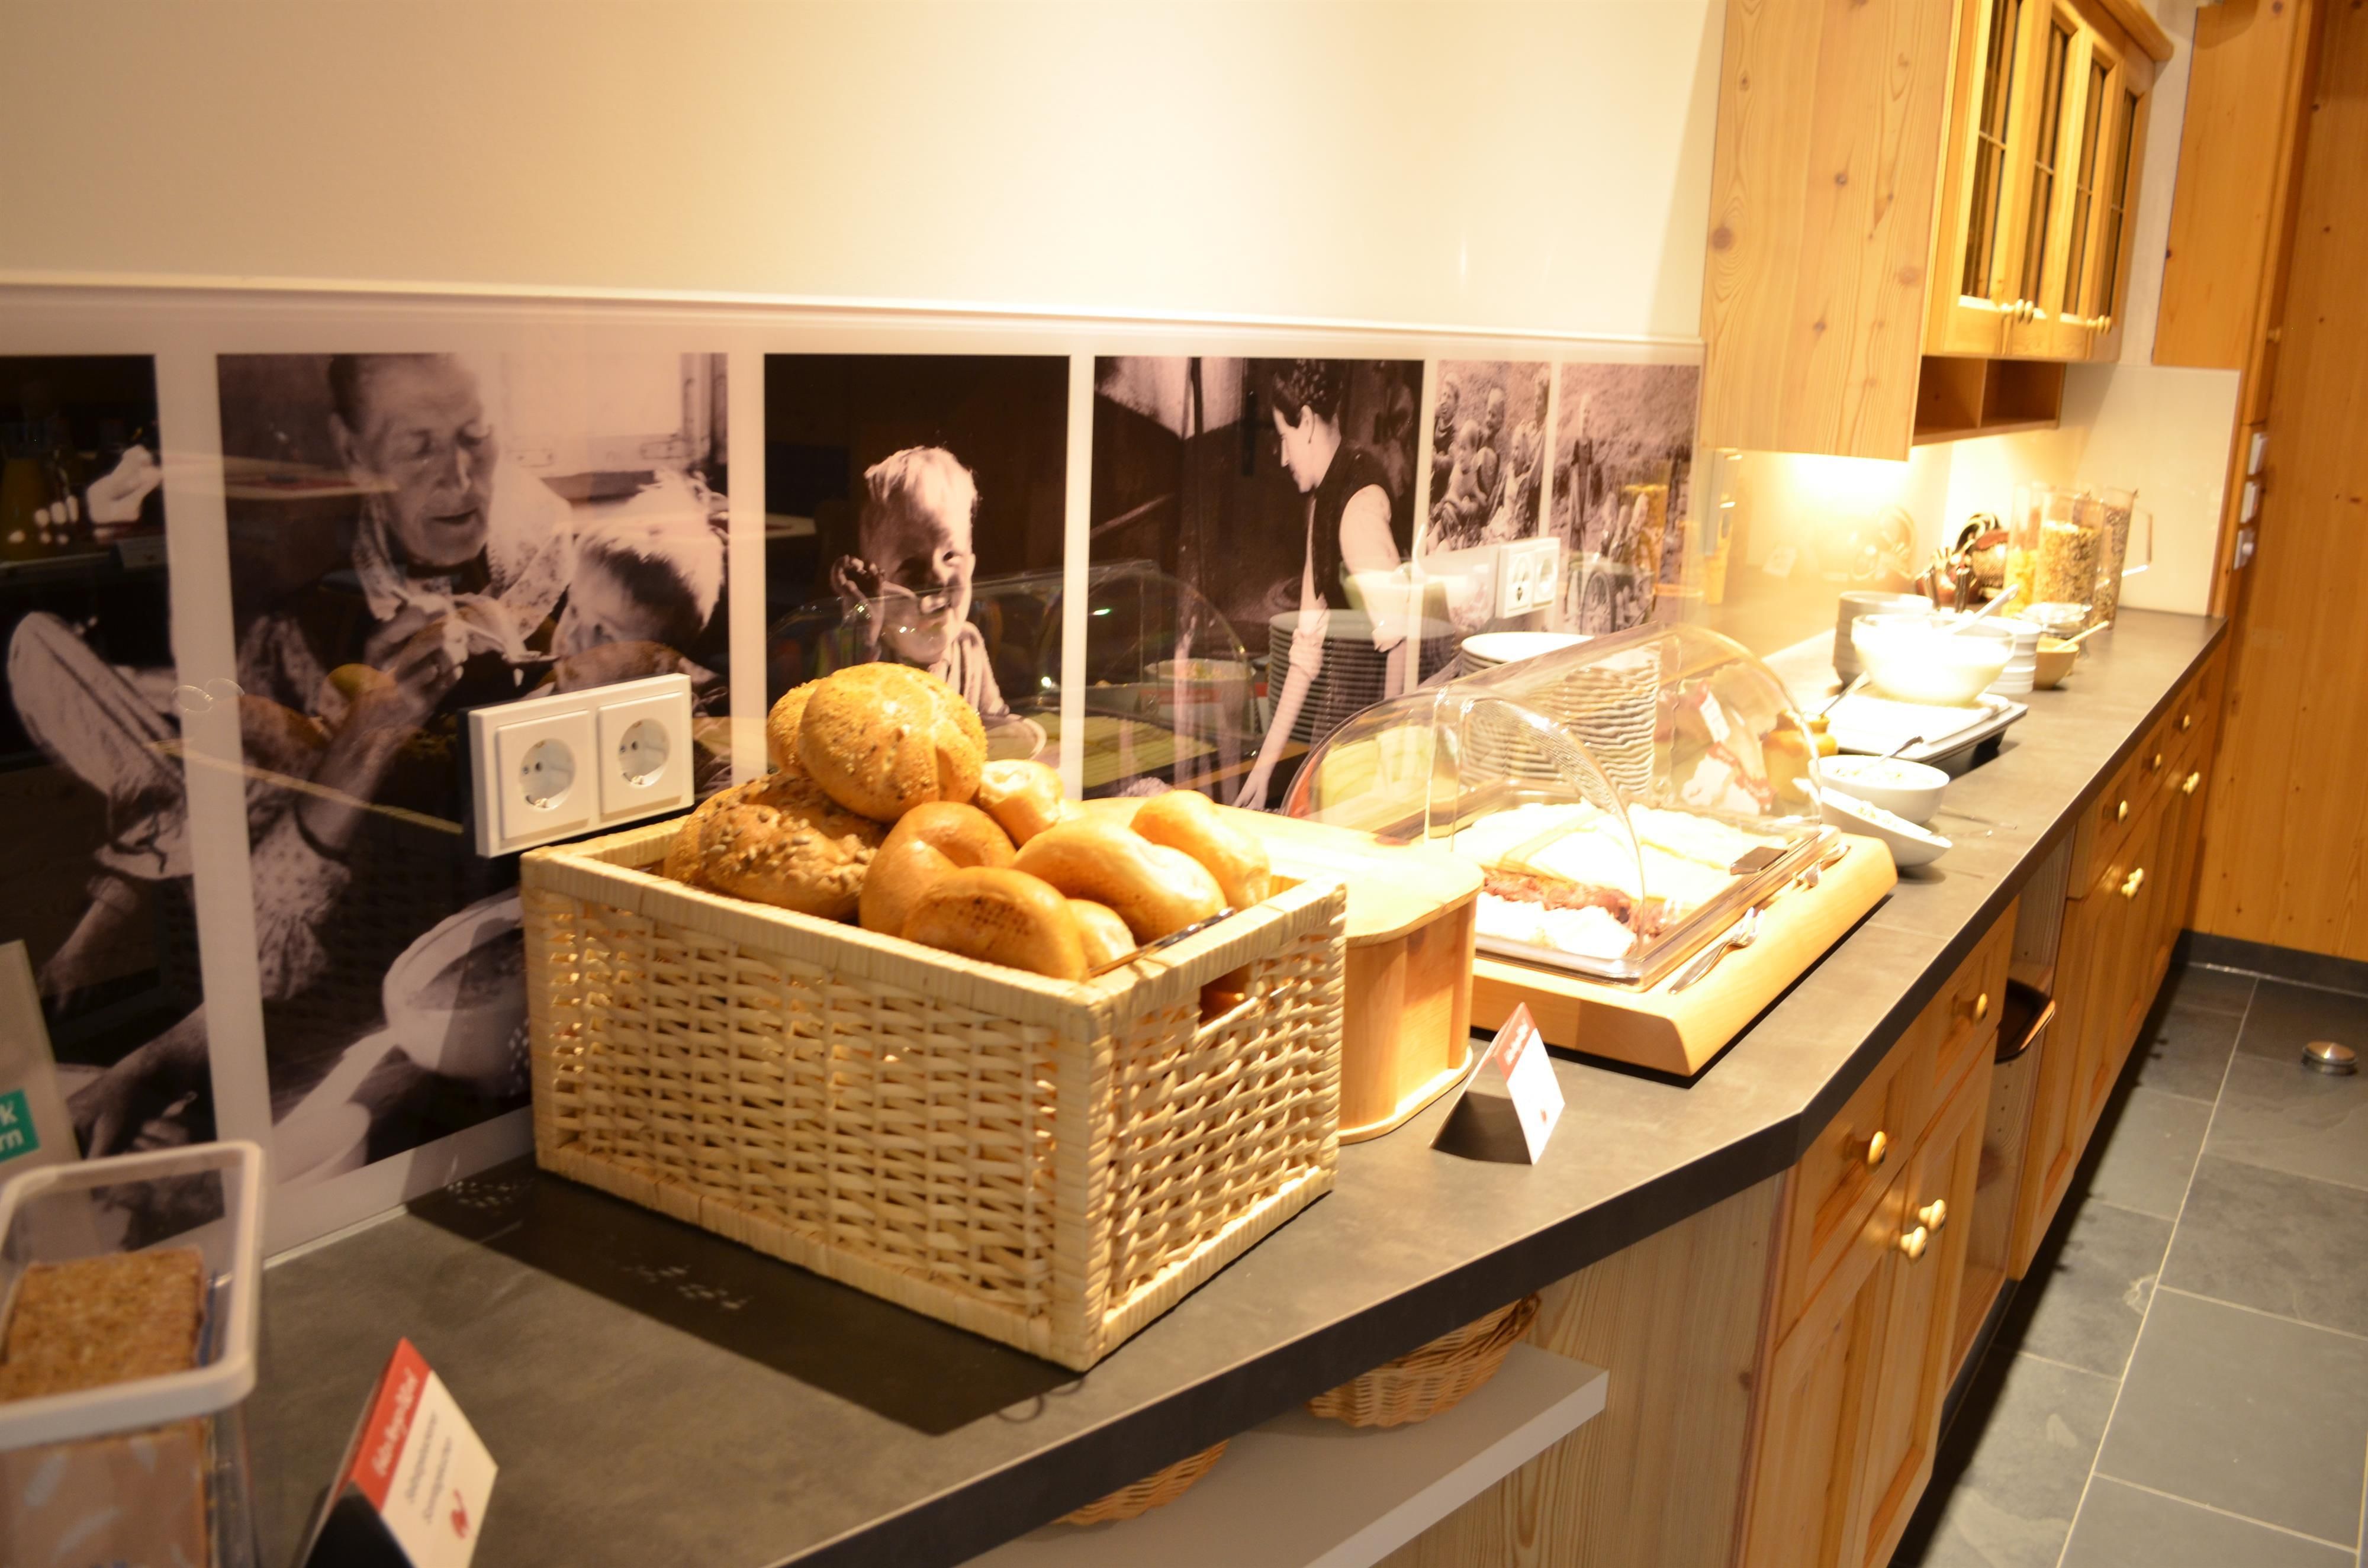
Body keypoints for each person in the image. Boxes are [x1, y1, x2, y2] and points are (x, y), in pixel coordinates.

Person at [25, 352, 575, 1152]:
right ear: (353, 453)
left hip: (563, 1014)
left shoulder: (575, 582)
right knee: (38, 648)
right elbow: (277, 923)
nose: (459, 476)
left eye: (476, 435)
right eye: (418, 446)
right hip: (393, 1041)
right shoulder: (299, 635)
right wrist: (168, 1051)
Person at [1234, 361, 1409, 811]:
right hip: (1347, 727)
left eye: (1284, 438)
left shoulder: (1357, 509)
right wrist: (1263, 769)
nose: (1283, 457)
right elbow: (1306, 649)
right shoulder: (1326, 498)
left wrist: (1388, 769)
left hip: (1373, 740)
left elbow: (1401, 641)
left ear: (1308, 423)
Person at [824, 445, 1038, 756]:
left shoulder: (968, 644)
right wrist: (862, 636)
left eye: (951, 555)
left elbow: (994, 728)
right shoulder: (854, 648)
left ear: (971, 565)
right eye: (911, 564)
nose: (937, 578)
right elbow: (838, 735)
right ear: (875, 584)